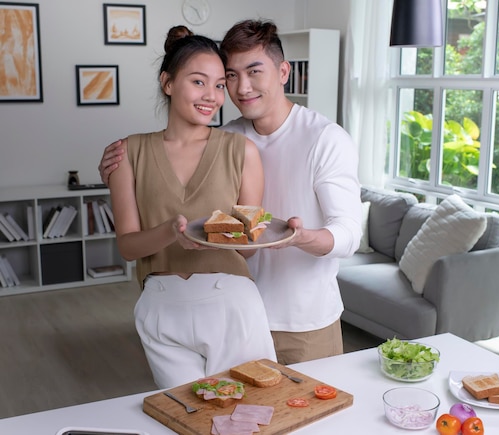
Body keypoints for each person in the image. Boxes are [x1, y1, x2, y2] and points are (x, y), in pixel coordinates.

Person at [99, 20, 362, 365]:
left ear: (283, 72)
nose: (242, 88)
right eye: (231, 77)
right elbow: (177, 176)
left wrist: (301, 237)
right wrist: (117, 172)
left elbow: (349, 234)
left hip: (302, 321)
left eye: (254, 72)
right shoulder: (229, 138)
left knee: (311, 416)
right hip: (234, 312)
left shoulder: (325, 138)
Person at [106, 25, 276, 388]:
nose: (212, 96)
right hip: (161, 305)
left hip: (230, 302)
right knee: (188, 419)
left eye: (219, 85)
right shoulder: (127, 153)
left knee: (255, 411)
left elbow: (248, 245)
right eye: (199, 82)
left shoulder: (241, 151)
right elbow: (128, 245)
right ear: (168, 83)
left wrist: (223, 236)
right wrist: (171, 232)